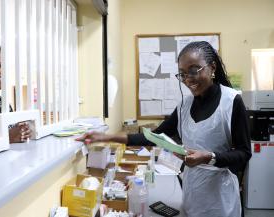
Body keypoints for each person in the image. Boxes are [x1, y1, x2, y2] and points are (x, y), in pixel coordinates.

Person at [77, 41, 252, 217]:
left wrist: (209, 157)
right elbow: (154, 137)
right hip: (192, 190)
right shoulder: (185, 105)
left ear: (212, 67)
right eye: (182, 74)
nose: (188, 79)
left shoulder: (231, 102)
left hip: (220, 196)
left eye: (194, 70)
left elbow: (244, 153)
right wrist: (106, 137)